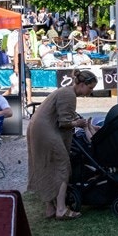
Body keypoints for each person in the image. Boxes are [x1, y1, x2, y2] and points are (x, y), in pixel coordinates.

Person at [27, 68, 97, 220]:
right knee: (62, 167)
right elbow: (64, 123)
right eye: (90, 88)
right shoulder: (69, 94)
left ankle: (50, 208)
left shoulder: (65, 91)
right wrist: (78, 123)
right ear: (82, 84)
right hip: (46, 131)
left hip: (39, 128)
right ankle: (61, 209)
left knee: (48, 166)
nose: (89, 92)